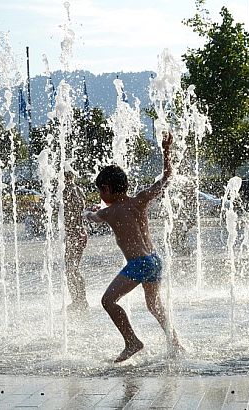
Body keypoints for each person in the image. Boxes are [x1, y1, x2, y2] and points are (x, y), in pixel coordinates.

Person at [85, 132, 182, 363]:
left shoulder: (109, 212)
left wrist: (84, 212)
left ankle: (132, 342)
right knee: (154, 305)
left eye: (101, 191)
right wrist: (166, 151)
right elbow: (167, 178)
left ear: (107, 189)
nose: (101, 195)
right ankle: (175, 343)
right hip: (155, 260)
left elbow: (93, 217)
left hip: (138, 264)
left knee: (108, 301)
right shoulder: (140, 199)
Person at [64, 170, 89, 311]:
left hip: (75, 235)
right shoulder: (79, 190)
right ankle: (79, 299)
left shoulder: (68, 191)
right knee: (72, 269)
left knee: (71, 269)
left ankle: (79, 300)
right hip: (78, 234)